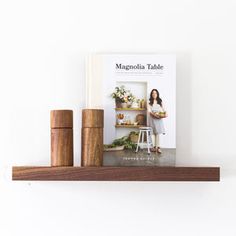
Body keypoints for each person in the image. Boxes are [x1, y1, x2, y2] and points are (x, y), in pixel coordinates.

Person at [147, 89, 167, 153]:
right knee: (153, 133)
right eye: (153, 93)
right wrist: (155, 115)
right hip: (152, 118)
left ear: (157, 94)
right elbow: (149, 111)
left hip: (159, 118)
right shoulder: (149, 101)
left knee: (158, 133)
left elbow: (164, 109)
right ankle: (153, 147)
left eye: (155, 93)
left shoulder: (160, 101)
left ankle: (158, 147)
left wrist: (165, 114)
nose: (154, 94)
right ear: (151, 94)